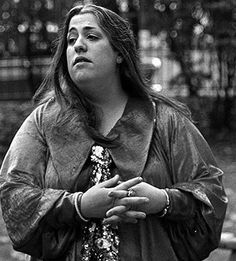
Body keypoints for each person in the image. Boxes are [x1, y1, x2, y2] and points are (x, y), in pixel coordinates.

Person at [0, 4, 227, 261]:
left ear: (119, 52)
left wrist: (163, 201)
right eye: (71, 40)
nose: (78, 46)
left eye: (92, 36)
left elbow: (211, 193)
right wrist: (79, 206)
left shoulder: (165, 119)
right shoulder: (43, 121)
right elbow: (14, 194)